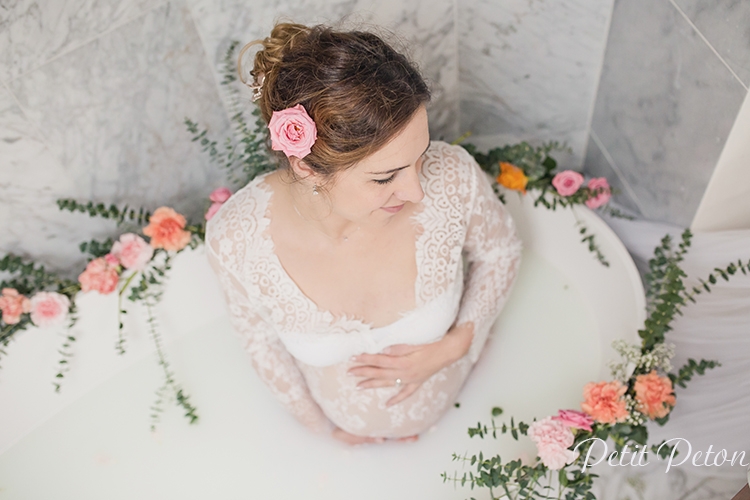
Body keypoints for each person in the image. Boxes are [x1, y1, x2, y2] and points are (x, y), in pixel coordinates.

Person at [205, 23, 522, 445]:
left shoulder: (452, 179)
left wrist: (456, 344)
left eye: (420, 156)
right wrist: (326, 432)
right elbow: (262, 345)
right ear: (306, 166)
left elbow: (500, 252)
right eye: (386, 177)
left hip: (474, 414)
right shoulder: (237, 240)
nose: (416, 190)